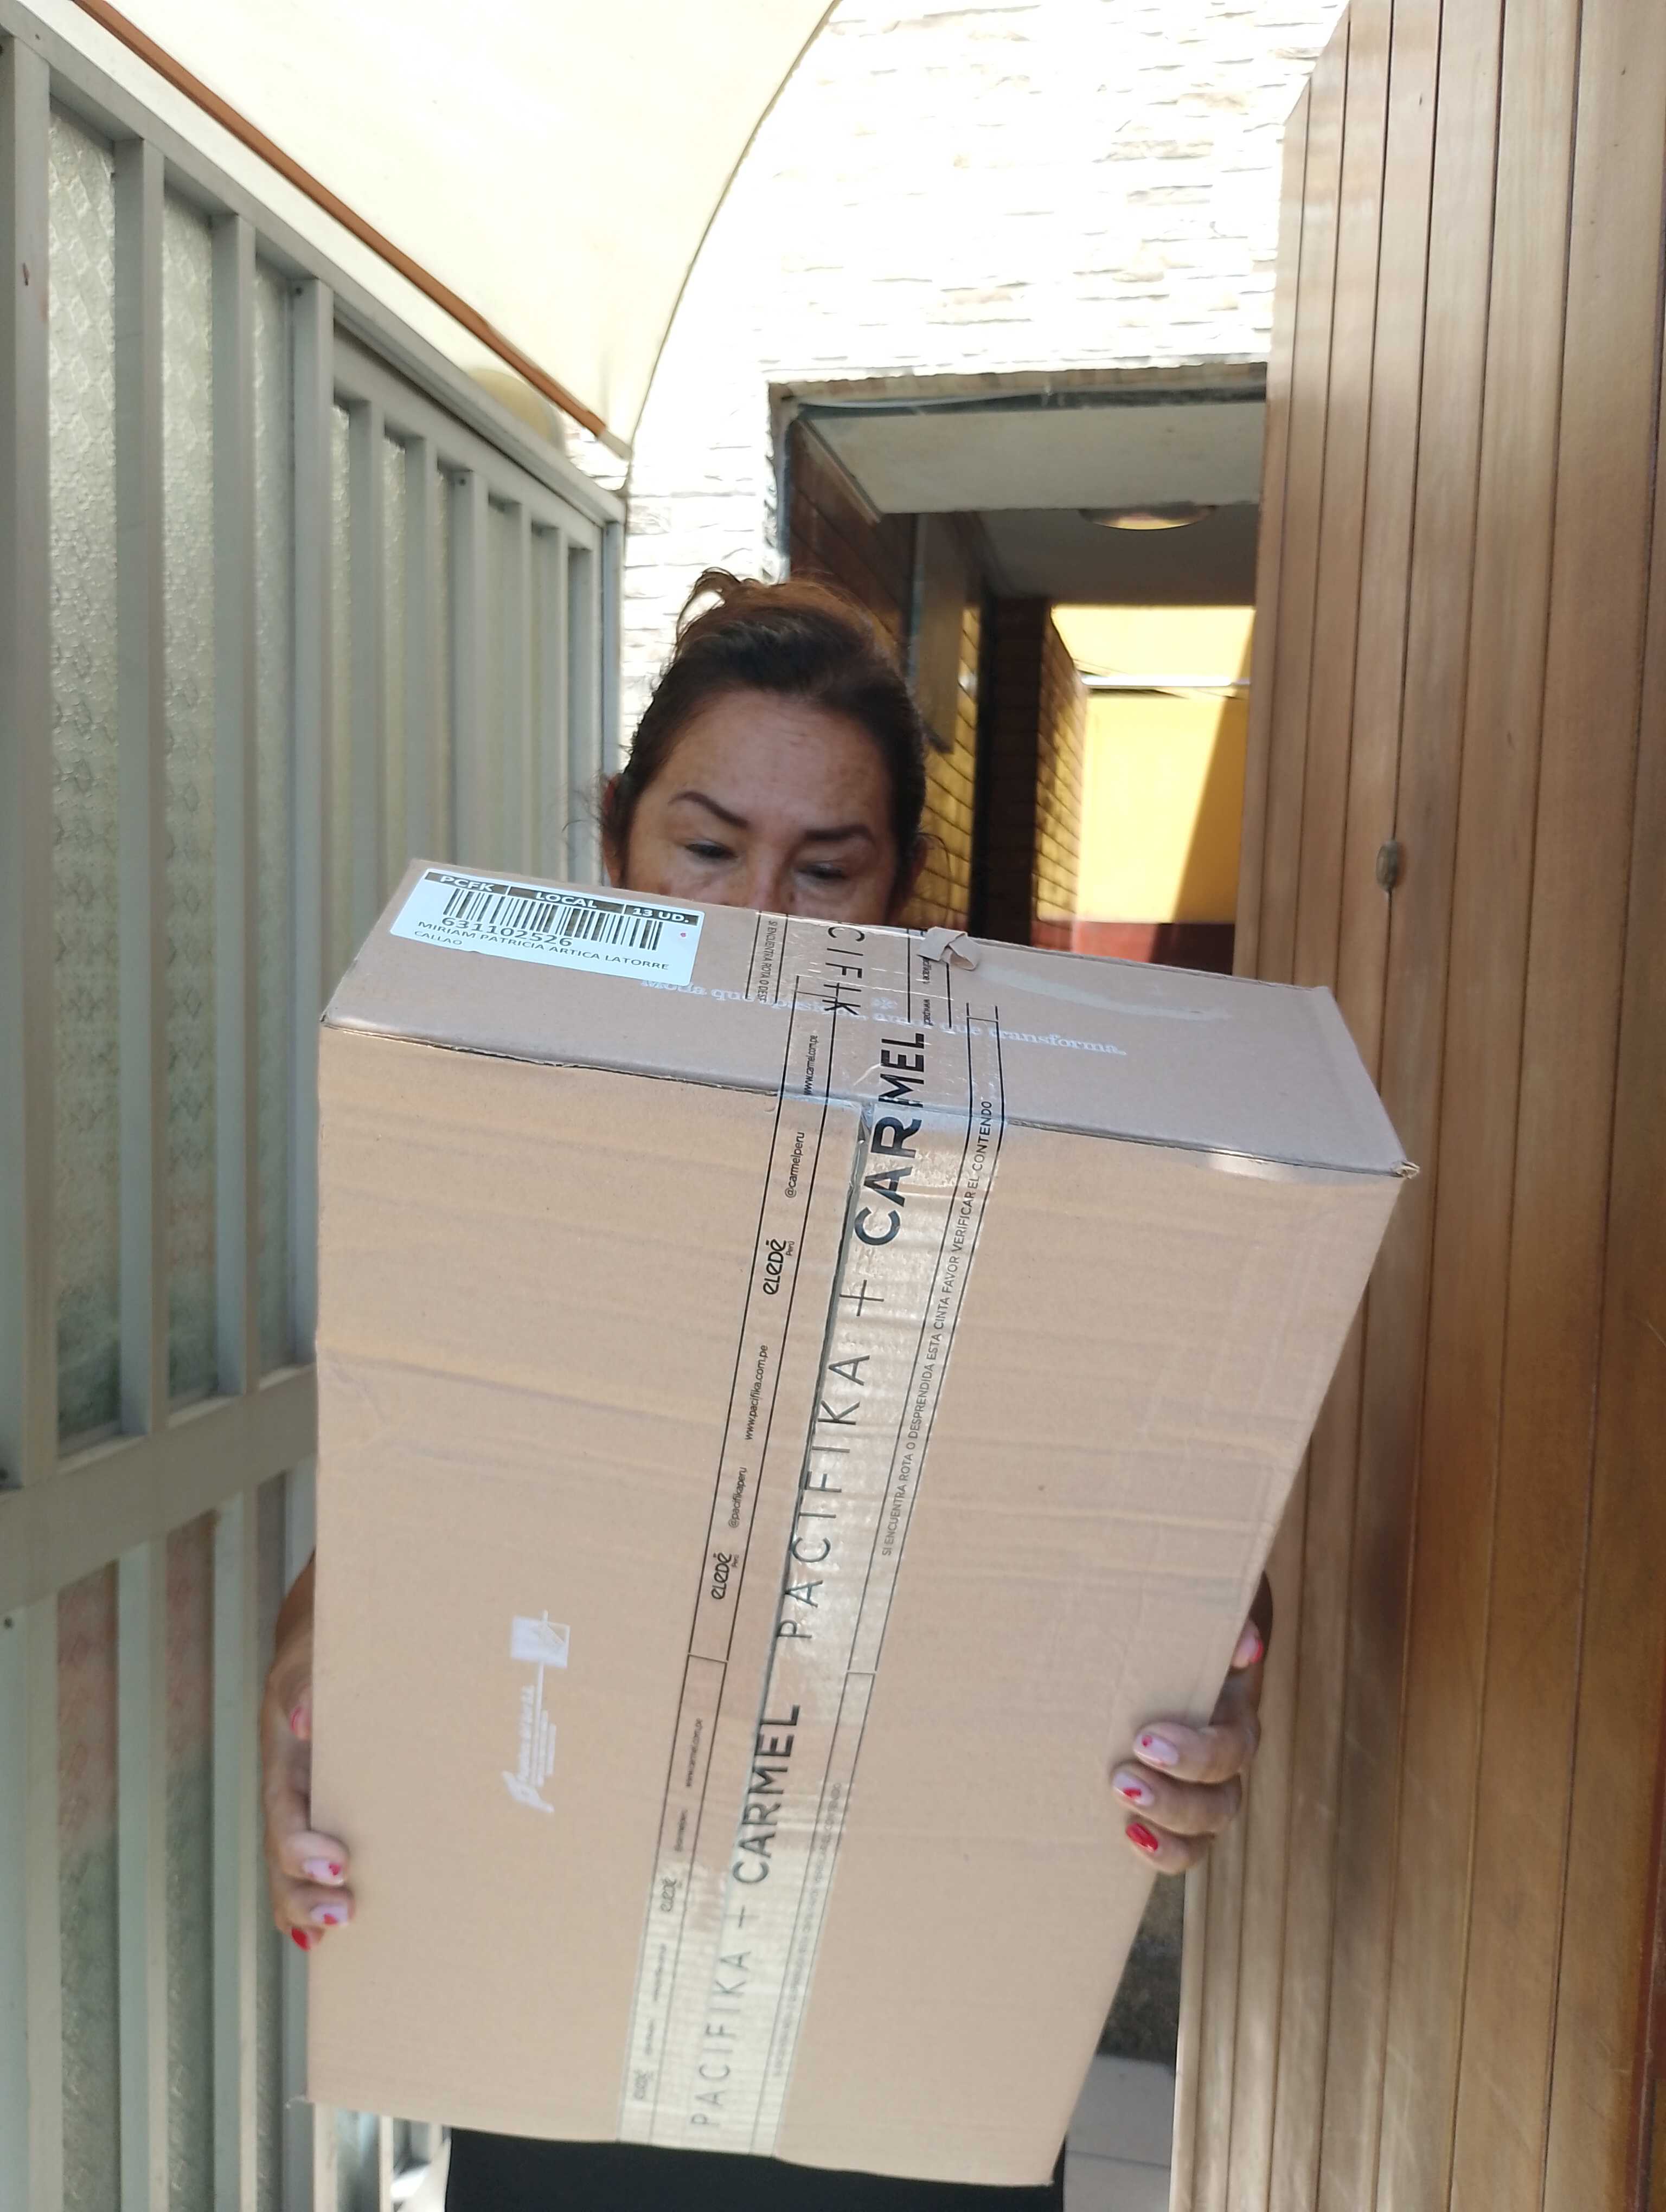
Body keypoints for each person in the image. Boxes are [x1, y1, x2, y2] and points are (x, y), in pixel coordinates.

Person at [262, 570, 1272, 2210]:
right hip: (569, 2015)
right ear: (617, 843)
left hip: (907, 2026)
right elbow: (410, 1498)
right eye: (709, 846)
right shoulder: (508, 1153)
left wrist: (1205, 1686)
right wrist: (310, 1668)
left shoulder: (1033, 1176)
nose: (761, 920)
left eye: (826, 867)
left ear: (901, 891)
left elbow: (1165, 1523)